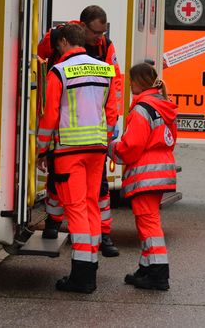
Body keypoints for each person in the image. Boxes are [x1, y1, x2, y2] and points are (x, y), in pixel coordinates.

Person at [37, 23, 118, 293]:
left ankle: (82, 276)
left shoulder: (58, 71)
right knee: (91, 205)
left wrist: (41, 148)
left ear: (62, 43)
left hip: (69, 150)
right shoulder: (105, 69)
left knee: (75, 209)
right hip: (97, 148)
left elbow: (50, 116)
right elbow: (112, 111)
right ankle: (90, 265)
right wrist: (105, 141)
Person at [112, 63, 178, 291]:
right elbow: (170, 139)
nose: (130, 86)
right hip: (162, 170)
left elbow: (133, 145)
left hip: (146, 172)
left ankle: (158, 274)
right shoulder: (163, 105)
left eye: (131, 81)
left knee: (148, 223)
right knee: (147, 221)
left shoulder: (142, 109)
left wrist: (113, 149)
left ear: (138, 82)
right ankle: (146, 267)